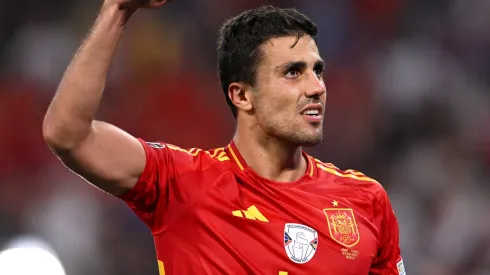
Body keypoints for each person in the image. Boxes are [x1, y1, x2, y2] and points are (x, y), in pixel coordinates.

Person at [42, 0, 405, 274]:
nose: (316, 88)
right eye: (293, 73)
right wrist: (117, 10)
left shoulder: (365, 200)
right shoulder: (182, 182)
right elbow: (68, 134)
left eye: (317, 71)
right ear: (242, 95)